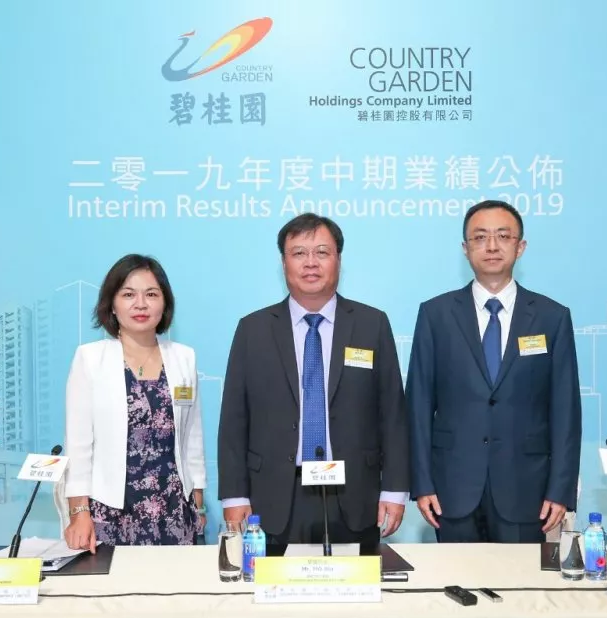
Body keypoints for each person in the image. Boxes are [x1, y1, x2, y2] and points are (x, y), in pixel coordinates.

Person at [218, 213, 410, 546]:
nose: (311, 263)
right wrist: (235, 496)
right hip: (274, 497)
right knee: (275, 579)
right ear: (283, 263)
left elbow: (392, 414)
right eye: (299, 253)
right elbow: (234, 419)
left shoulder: (372, 324)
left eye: (322, 252)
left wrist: (394, 490)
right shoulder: (253, 329)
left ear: (338, 260)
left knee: (355, 579)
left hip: (355, 495)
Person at [406, 200, 581, 544]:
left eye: (503, 236)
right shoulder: (436, 314)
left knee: (521, 578)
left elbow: (566, 411)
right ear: (465, 248)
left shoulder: (552, 317)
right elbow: (418, 405)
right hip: (451, 489)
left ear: (520, 246)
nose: (491, 246)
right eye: (480, 237)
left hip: (527, 489)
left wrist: (560, 490)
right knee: (456, 577)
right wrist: (421, 483)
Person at [63, 254, 206, 550]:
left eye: (151, 294)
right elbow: (78, 444)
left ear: (164, 303)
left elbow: (192, 435)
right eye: (128, 294)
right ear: (112, 304)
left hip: (174, 508)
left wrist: (199, 500)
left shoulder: (184, 358)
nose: (141, 304)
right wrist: (79, 512)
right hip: (111, 509)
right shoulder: (91, 359)